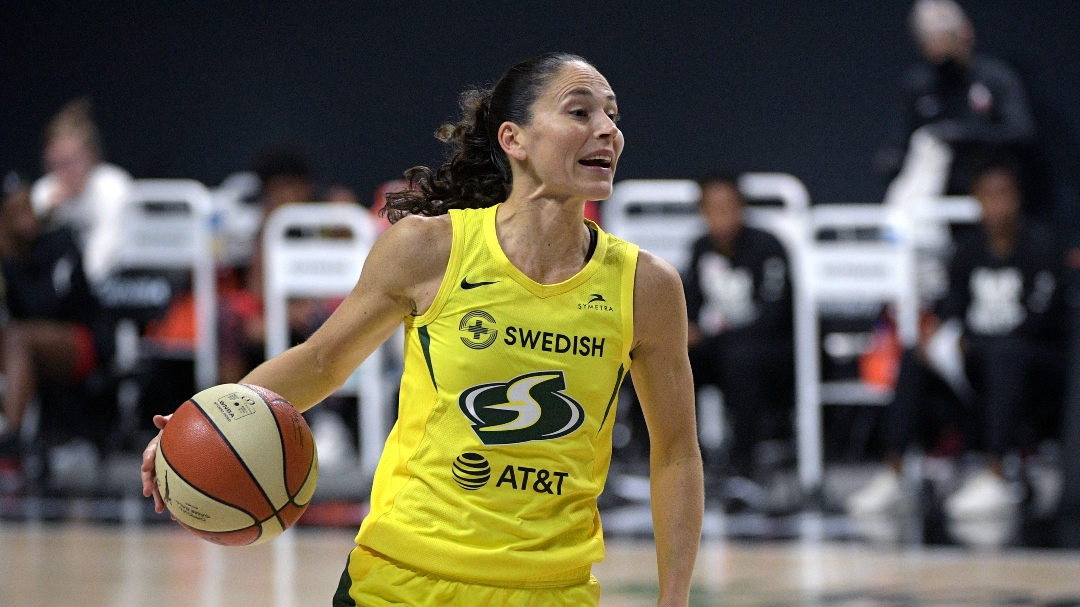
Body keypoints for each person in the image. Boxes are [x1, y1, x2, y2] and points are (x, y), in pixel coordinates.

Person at [142, 53, 703, 605]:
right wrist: (200, 423)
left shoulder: (645, 286)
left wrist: (674, 598)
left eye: (613, 115)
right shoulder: (430, 248)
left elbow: (676, 452)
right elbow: (321, 362)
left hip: (550, 590)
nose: (607, 130)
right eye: (580, 112)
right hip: (401, 579)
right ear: (515, 139)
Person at [847, 159, 1064, 522]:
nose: (996, 205)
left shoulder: (1040, 247)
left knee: (1005, 353)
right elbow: (952, 307)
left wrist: (973, 341)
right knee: (917, 357)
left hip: (1030, 363)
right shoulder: (967, 250)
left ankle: (997, 473)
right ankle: (895, 471)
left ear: (1018, 198)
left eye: (1004, 195)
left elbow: (1041, 322)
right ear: (975, 199)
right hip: (979, 360)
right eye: (987, 195)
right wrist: (937, 337)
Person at [683, 172, 794, 484]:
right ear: (702, 211)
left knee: (741, 360)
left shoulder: (768, 247)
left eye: (728, 206)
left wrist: (715, 334)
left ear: (742, 207)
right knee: (665, 357)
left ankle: (743, 460)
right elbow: (689, 303)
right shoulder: (700, 248)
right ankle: (676, 456)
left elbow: (777, 313)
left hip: (768, 348)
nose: (722, 216)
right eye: (712, 207)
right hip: (718, 346)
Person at [0, 172, 113, 467]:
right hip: (23, 347)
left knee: (17, 336)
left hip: (82, 340)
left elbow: (47, 307)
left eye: (28, 208)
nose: (27, 218)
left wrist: (11, 261)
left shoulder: (58, 242)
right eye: (16, 212)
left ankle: (11, 439)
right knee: (14, 338)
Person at [877, 0, 1035, 197]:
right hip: (935, 196)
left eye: (946, 39)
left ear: (965, 33)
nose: (941, 51)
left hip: (991, 193)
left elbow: (1021, 132)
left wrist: (963, 136)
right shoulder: (918, 86)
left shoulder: (996, 78)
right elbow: (900, 142)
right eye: (931, 41)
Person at [30, 99, 132, 286]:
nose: (64, 172)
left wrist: (81, 287)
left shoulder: (111, 186)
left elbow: (106, 244)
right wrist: (49, 218)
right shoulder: (44, 192)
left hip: (116, 281)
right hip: (57, 295)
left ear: (91, 157)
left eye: (71, 162)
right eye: (55, 164)